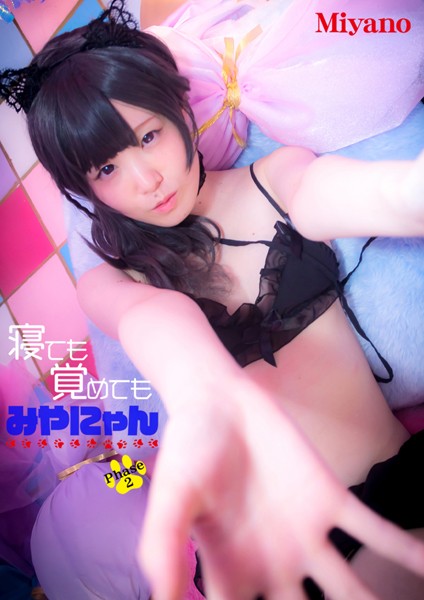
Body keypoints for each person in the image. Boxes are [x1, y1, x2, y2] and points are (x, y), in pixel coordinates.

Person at [1, 2, 424, 599]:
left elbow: (354, 195)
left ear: (181, 111)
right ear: (86, 189)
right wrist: (199, 392)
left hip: (393, 502)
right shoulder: (112, 284)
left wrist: (406, 192)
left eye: (148, 137)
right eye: (107, 168)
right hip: (263, 570)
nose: (146, 179)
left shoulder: (279, 178)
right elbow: (158, 325)